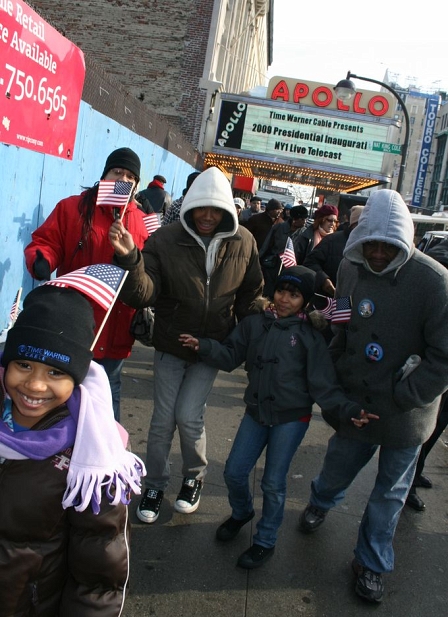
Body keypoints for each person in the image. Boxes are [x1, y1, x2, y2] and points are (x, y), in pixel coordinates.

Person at [298, 189, 448, 604]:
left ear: (405, 240)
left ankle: (371, 563)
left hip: (406, 414)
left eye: (387, 245)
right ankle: (320, 501)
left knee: (390, 493)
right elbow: (343, 324)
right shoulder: (350, 267)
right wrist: (332, 372)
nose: (378, 254)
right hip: (356, 401)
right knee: (337, 466)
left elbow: (443, 357)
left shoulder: (435, 282)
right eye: (371, 245)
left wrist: (405, 395)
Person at [179, 266, 365, 569]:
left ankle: (265, 540)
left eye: (294, 295)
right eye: (281, 291)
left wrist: (349, 410)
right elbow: (230, 354)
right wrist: (205, 346)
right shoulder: (254, 325)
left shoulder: (309, 337)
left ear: (305, 302)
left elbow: (324, 385)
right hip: (256, 412)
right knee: (234, 472)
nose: (284, 299)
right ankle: (242, 513)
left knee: (273, 483)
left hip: (291, 419)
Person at [108, 166, 263, 524]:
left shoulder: (244, 242)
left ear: (227, 208)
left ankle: (194, 478)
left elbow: (250, 297)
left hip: (211, 347)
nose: (208, 216)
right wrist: (131, 259)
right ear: (190, 205)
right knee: (162, 420)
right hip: (171, 344)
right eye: (201, 208)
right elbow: (145, 292)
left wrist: (274, 314)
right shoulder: (165, 239)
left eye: (216, 209)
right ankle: (155, 484)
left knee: (189, 416)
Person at [0, 285, 145, 615]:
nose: (35, 385)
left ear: (77, 378)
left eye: (55, 372)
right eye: (23, 364)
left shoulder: (96, 461)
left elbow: (98, 580)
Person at [23, 147, 148, 422]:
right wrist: (42, 259)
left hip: (115, 327)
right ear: (104, 174)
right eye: (117, 172)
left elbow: (147, 272)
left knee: (107, 399)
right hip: (71, 322)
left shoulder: (140, 221)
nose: (122, 179)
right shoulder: (72, 207)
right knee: (62, 396)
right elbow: (46, 242)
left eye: (130, 176)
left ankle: (106, 458)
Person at [406, 237, 448, 511]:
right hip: (435, 357)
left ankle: (415, 472)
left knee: (439, 424)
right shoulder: (441, 259)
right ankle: (407, 482)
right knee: (426, 425)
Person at [304, 205, 364, 298]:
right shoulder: (332, 240)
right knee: (338, 312)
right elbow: (310, 262)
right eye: (360, 224)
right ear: (352, 224)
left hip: (358, 303)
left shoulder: (371, 246)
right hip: (330, 299)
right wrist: (324, 280)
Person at [259, 205, 309, 299]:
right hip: (272, 268)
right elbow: (266, 246)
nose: (305, 221)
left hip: (291, 271)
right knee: (268, 294)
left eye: (306, 218)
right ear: (294, 219)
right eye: (302, 219)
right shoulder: (278, 228)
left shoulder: (305, 234)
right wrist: (258, 261)